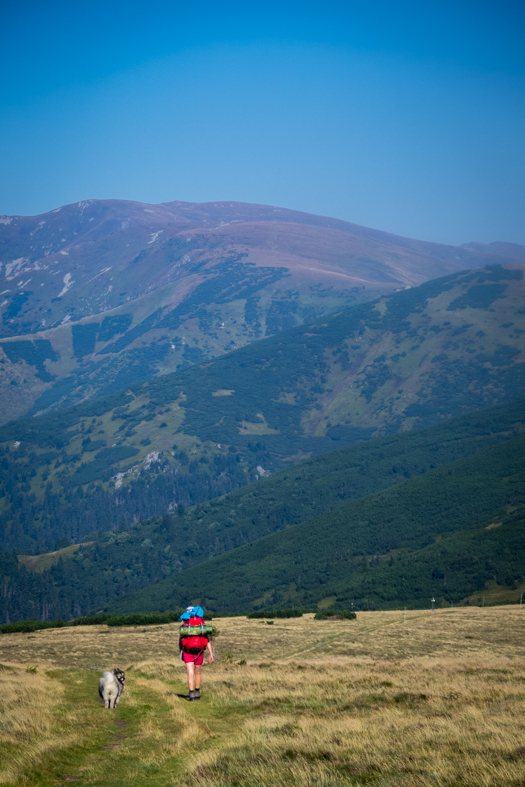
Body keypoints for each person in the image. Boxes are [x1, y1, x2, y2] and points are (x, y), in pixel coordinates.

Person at [179, 606, 214, 701]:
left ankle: (191, 694)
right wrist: (211, 654)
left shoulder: (186, 624)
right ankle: (197, 692)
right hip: (199, 651)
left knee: (190, 673)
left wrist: (181, 652)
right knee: (197, 672)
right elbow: (207, 640)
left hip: (187, 651)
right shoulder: (201, 624)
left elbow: (181, 639)